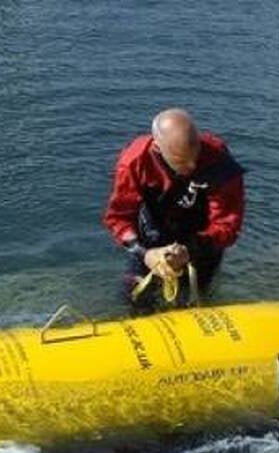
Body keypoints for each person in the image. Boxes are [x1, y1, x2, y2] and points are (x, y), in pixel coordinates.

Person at [103, 108, 246, 309]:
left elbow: (228, 224)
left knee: (196, 297)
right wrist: (145, 254)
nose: (192, 167)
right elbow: (118, 218)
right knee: (135, 297)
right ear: (157, 149)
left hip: (202, 235)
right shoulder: (135, 162)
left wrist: (191, 249)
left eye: (195, 157)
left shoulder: (219, 164)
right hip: (153, 235)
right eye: (181, 162)